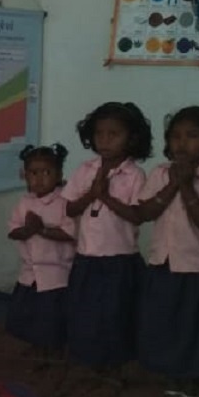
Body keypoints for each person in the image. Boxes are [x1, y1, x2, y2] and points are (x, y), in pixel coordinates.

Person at [135, 107, 199, 392]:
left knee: (191, 324)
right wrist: (173, 184)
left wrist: (187, 185)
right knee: (163, 318)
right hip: (162, 261)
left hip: (197, 266)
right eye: (176, 136)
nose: (182, 143)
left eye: (192, 136)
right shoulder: (159, 172)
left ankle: (190, 378)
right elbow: (146, 212)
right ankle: (167, 372)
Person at [62, 101, 152, 371]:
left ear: (131, 138)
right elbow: (70, 207)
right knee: (86, 311)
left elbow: (138, 215)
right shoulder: (85, 169)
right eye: (99, 134)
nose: (105, 140)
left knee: (116, 313)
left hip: (120, 258)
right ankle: (89, 359)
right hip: (87, 255)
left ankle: (117, 361)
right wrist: (91, 194)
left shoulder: (135, 174)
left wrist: (105, 197)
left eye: (114, 134)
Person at [5, 144, 76, 365]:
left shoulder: (65, 202)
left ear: (59, 174)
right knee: (28, 313)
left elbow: (70, 233)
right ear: (25, 175)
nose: (39, 179)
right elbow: (13, 230)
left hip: (56, 274)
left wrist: (42, 229)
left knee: (52, 317)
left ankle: (54, 351)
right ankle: (37, 346)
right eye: (33, 173)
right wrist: (25, 231)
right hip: (29, 273)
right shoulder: (24, 202)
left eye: (46, 172)